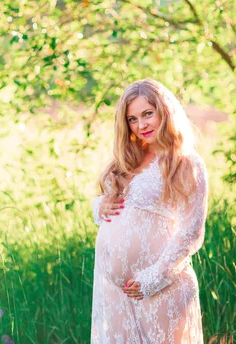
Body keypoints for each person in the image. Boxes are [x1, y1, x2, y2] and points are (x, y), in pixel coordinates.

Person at [91, 79, 209, 343]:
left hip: (160, 288)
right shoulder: (127, 158)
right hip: (115, 294)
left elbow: (191, 231)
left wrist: (153, 278)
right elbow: (108, 205)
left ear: (164, 112)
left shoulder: (186, 162)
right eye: (132, 119)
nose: (141, 125)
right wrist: (100, 206)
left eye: (148, 114)